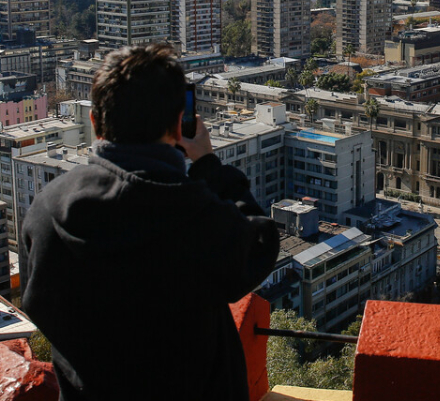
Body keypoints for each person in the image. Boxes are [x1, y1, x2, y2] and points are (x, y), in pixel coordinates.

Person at [22, 44, 279, 401]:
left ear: (95, 122)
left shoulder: (47, 208)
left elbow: (37, 303)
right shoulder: (195, 211)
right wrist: (207, 164)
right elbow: (260, 246)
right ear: (179, 125)